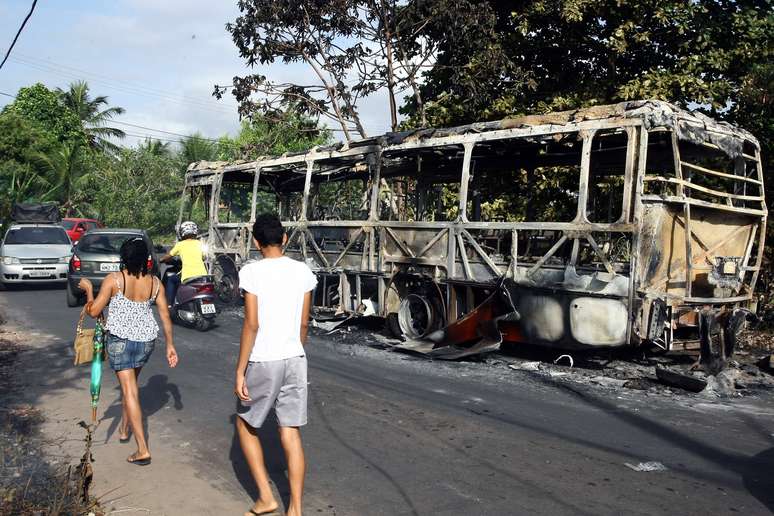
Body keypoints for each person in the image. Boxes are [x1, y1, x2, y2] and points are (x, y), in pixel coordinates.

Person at [235, 213, 317, 516]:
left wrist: (240, 370)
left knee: (244, 424)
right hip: (295, 357)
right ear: (284, 239)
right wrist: (295, 349)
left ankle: (266, 498)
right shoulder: (303, 271)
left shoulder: (252, 272)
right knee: (290, 431)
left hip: (264, 359)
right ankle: (295, 509)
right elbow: (304, 323)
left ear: (257, 242)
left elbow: (251, 324)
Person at [79, 237, 178, 466]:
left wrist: (87, 291)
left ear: (124, 258)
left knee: (130, 391)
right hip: (145, 342)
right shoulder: (155, 283)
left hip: (120, 342)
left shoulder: (115, 280)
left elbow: (93, 312)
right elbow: (165, 316)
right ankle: (124, 429)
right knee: (130, 386)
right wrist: (171, 346)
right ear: (146, 259)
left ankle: (142, 449)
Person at [161, 221, 208, 307]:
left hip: (188, 276)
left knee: (171, 279)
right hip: (202, 275)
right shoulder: (200, 243)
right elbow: (204, 257)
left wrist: (161, 259)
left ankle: (169, 304)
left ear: (182, 232)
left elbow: (169, 255)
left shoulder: (180, 245)